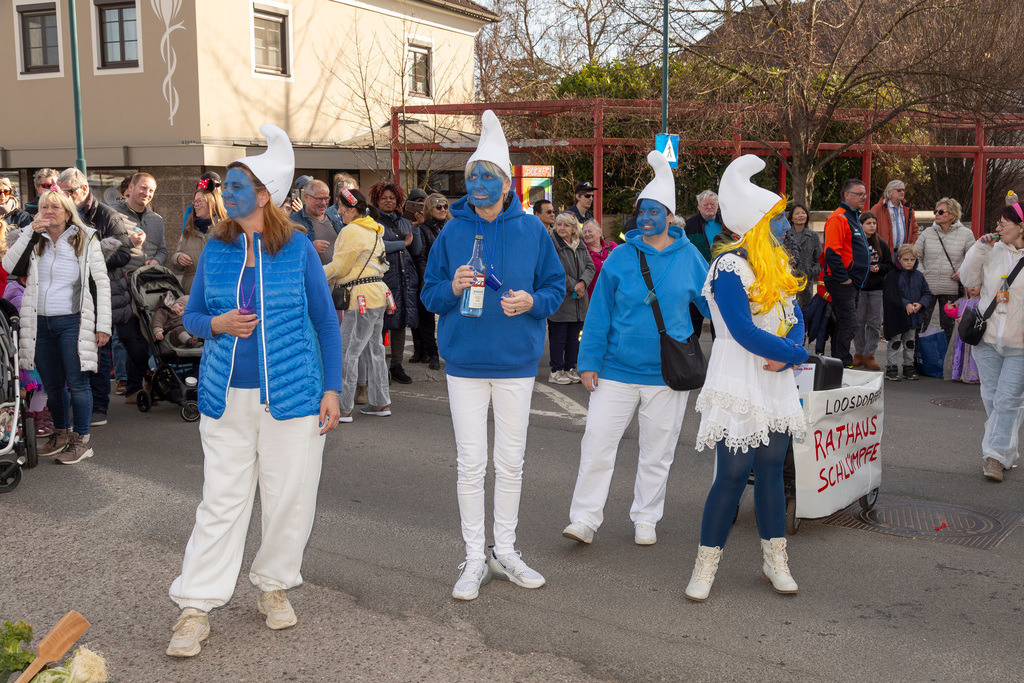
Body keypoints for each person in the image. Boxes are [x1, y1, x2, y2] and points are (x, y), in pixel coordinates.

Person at [167, 124, 343, 658]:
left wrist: (331, 389)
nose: (228, 191)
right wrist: (216, 325)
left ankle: (273, 585)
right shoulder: (216, 251)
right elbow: (193, 316)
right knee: (221, 500)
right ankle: (196, 605)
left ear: (264, 194)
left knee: (290, 497)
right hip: (226, 397)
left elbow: (326, 323)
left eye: (239, 184)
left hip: (294, 395)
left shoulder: (297, 251)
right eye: (228, 184)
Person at [421, 110, 564, 601]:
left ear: (506, 183)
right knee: (469, 464)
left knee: (511, 462)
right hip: (463, 363)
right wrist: (451, 287)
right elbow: (429, 294)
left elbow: (555, 287)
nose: (478, 183)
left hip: (517, 364)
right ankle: (473, 557)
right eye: (472, 177)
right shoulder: (451, 232)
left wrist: (533, 302)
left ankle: (505, 550)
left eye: (488, 176)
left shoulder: (532, 231)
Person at [562, 150, 709, 548]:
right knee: (596, 444)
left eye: (654, 212)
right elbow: (599, 314)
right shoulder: (621, 257)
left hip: (667, 375)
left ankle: (646, 517)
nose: (646, 219)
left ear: (669, 216)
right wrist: (589, 361)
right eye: (641, 212)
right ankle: (585, 519)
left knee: (657, 453)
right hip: (615, 371)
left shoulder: (691, 257)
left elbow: (714, 305)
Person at [685, 154, 809, 602]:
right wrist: (795, 355)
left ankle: (775, 558)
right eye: (776, 220)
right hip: (739, 375)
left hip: (774, 376)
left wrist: (790, 352)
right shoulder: (728, 266)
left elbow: (794, 316)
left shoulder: (776, 264)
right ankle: (706, 564)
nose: (784, 227)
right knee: (733, 472)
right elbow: (741, 331)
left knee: (773, 468)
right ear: (756, 223)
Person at [1, 189, 111, 465]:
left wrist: (103, 325)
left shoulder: (85, 238)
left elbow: (101, 284)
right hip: (39, 321)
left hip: (73, 320)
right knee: (51, 383)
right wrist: (29, 233)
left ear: (67, 211)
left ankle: (81, 440)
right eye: (44, 207)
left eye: (55, 207)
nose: (49, 212)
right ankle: (61, 433)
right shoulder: (35, 239)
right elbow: (8, 265)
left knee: (77, 382)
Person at [56, 167, 134, 426]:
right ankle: (80, 401)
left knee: (99, 349)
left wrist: (93, 256)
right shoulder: (62, 214)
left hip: (101, 291)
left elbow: (124, 254)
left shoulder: (107, 214)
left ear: (84, 189)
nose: (64, 197)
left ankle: (100, 404)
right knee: (72, 350)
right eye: (60, 192)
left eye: (68, 192)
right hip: (69, 295)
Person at [958, 204, 1024, 482]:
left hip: (1019, 344)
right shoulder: (991, 250)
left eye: (1005, 223)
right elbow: (967, 279)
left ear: (1021, 226)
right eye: (998, 223)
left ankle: (994, 456)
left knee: (1007, 401)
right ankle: (1006, 451)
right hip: (985, 338)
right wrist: (978, 249)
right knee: (991, 398)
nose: (998, 228)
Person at [324, 188, 391, 421]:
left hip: (359, 297)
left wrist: (313, 274)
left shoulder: (351, 231)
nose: (339, 212)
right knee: (375, 351)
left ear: (352, 209)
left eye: (341, 208)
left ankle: (344, 408)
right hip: (378, 294)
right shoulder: (374, 230)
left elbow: (339, 268)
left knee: (347, 352)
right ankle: (381, 403)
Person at [110, 172, 168, 405]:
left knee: (145, 339)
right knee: (130, 338)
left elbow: (163, 250)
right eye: (143, 188)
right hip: (121, 285)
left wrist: (158, 261)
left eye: (151, 190)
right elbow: (103, 248)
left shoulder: (156, 220)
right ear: (131, 188)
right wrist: (128, 243)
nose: (146, 193)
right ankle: (147, 375)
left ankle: (135, 390)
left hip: (147, 286)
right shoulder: (112, 214)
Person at [370, 181, 421, 383]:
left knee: (400, 323)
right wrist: (403, 243)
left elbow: (415, 250)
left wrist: (415, 229)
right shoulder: (373, 221)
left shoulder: (405, 221)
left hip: (404, 278)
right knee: (380, 324)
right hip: (384, 279)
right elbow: (376, 245)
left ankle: (397, 366)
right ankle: (379, 367)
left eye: (392, 198)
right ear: (377, 201)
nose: (389, 201)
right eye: (384, 198)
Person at [822, 179, 870, 366]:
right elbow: (831, 253)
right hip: (842, 281)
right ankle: (842, 361)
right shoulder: (838, 217)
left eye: (864, 194)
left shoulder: (853, 216)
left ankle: (837, 362)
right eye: (859, 194)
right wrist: (844, 279)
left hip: (851, 281)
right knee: (849, 324)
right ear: (847, 195)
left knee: (844, 323)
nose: (863, 198)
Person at [915, 197, 974, 346]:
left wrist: (962, 271)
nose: (936, 214)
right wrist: (922, 274)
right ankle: (918, 360)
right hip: (927, 288)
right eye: (935, 211)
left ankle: (947, 363)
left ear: (952, 215)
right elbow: (915, 256)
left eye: (941, 211)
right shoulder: (927, 233)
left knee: (949, 328)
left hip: (951, 288)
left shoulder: (966, 234)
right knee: (921, 325)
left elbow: (973, 259)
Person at [546, 212, 594, 385]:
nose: (561, 228)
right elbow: (555, 270)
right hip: (561, 298)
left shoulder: (579, 243)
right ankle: (556, 370)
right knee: (559, 336)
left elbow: (590, 266)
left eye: (566, 225)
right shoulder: (552, 244)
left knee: (575, 336)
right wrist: (574, 285)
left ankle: (570, 367)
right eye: (559, 225)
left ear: (574, 228)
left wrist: (582, 283)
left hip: (579, 300)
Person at [881, 244, 932, 381]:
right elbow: (891, 295)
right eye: (906, 259)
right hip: (897, 316)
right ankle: (891, 367)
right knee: (895, 341)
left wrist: (920, 303)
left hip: (914, 316)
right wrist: (905, 304)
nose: (909, 262)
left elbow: (927, 293)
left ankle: (908, 366)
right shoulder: (892, 276)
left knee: (910, 342)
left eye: (912, 259)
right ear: (899, 259)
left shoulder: (919, 276)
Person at [411, 193, 448, 369]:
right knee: (426, 318)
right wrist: (425, 281)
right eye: (438, 206)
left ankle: (447, 352)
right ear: (429, 208)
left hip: (450, 277)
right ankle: (432, 354)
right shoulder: (424, 228)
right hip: (431, 277)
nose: (442, 209)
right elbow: (421, 257)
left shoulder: (451, 226)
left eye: (445, 206)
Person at [852, 211, 892, 371]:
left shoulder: (881, 244)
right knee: (858, 322)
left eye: (874, 223)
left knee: (874, 323)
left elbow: (889, 265)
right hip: (860, 287)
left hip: (876, 288)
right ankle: (859, 354)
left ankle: (870, 355)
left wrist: (879, 267)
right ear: (861, 225)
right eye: (868, 223)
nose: (872, 226)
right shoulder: (855, 242)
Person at [171, 186, 226, 294]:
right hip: (192, 292)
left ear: (213, 203)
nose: (195, 205)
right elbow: (175, 257)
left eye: (200, 201)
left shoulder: (225, 229)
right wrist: (178, 258)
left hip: (218, 292)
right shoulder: (188, 230)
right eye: (194, 201)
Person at [290, 179, 343, 258]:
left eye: (326, 198)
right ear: (306, 197)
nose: (323, 203)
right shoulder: (293, 222)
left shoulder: (334, 218)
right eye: (319, 199)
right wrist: (309, 248)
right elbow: (285, 251)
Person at [782, 203, 820, 309]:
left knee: (806, 312)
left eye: (803, 213)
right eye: (797, 213)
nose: (801, 216)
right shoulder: (785, 235)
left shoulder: (813, 236)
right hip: (789, 280)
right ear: (791, 217)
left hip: (807, 281)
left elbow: (820, 259)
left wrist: (812, 271)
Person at [871, 179, 918, 252]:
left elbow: (914, 230)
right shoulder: (877, 209)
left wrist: (910, 247)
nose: (902, 192)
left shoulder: (908, 209)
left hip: (903, 254)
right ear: (890, 192)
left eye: (903, 190)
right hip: (884, 254)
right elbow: (870, 230)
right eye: (899, 190)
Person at [683, 190, 722, 263]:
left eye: (712, 204)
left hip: (724, 264)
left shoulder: (725, 222)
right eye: (706, 205)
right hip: (701, 267)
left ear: (717, 205)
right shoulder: (689, 225)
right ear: (699, 206)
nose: (709, 207)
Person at [581, 218, 615, 298]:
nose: (587, 234)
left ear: (600, 232)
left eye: (590, 231)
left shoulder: (613, 247)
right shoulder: (582, 252)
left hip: (613, 296)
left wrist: (615, 261)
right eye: (584, 232)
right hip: (593, 299)